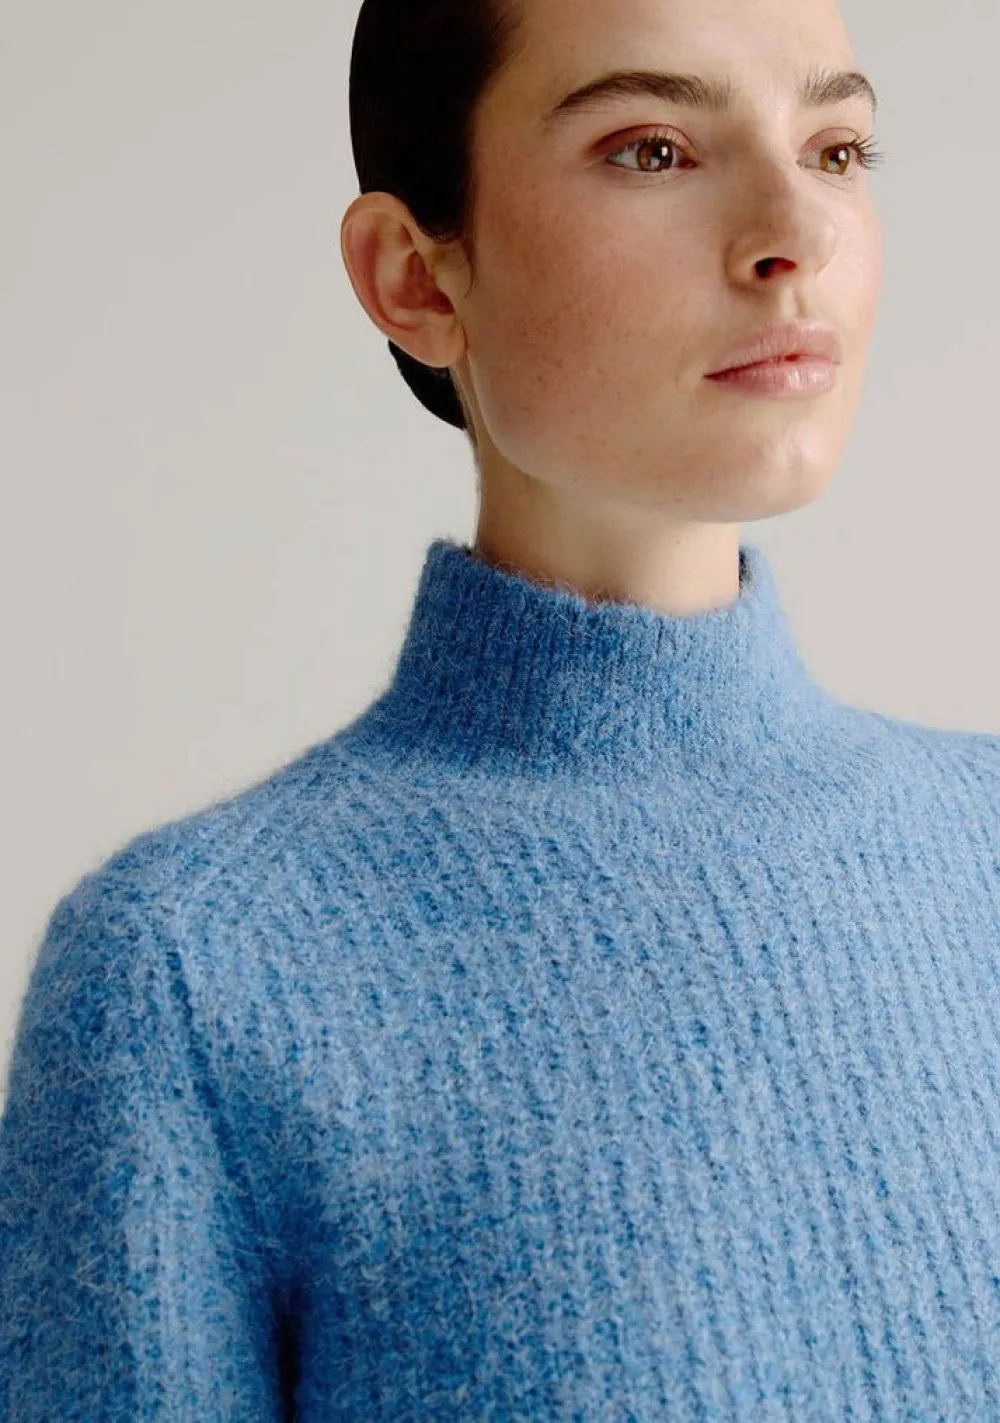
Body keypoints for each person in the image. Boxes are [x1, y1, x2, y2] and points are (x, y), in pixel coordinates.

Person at [1, 0, 997, 1419]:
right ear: (415, 277)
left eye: (836, 150)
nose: (796, 234)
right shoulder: (190, 973)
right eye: (653, 149)